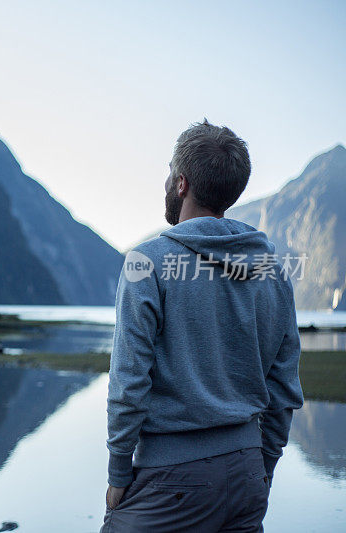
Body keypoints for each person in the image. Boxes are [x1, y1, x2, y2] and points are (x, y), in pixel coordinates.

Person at [102, 120, 304, 532]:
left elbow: (129, 383)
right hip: (248, 473)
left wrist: (118, 474)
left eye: (169, 171)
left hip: (170, 480)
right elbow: (283, 388)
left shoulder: (147, 264)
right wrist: (261, 466)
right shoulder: (271, 270)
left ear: (181, 184)